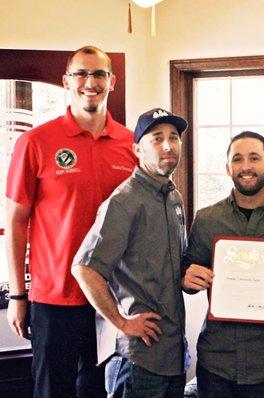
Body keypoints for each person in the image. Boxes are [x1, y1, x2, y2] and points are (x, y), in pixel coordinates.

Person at [5, 45, 136, 398]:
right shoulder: (36, 142)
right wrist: (18, 295)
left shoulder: (131, 145)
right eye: (81, 73)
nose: (89, 82)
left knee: (99, 390)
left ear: (112, 81)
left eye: (98, 74)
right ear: (67, 81)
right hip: (54, 298)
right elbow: (16, 222)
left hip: (112, 298)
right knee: (53, 391)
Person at [182, 131, 264, 398]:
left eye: (255, 158)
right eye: (238, 159)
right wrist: (187, 278)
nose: (246, 166)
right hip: (217, 362)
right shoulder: (207, 220)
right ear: (228, 168)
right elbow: (189, 277)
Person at [72, 108, 189, 398]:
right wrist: (122, 322)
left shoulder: (173, 196)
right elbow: (84, 268)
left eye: (174, 137)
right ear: (137, 149)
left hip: (173, 354)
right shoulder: (124, 201)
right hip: (138, 359)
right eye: (157, 138)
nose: (167, 145)